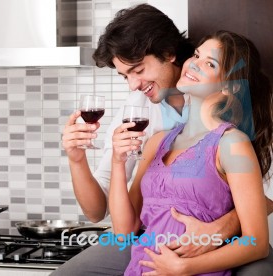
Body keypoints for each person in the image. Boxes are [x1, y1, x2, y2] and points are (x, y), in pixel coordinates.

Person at [55, 3, 273, 276]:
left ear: (169, 54)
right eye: (125, 76)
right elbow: (106, 215)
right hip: (151, 238)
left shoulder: (236, 127)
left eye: (138, 70)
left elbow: (265, 201)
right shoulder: (143, 116)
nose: (133, 86)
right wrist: (78, 159)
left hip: (224, 238)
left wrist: (218, 231)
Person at [109, 30, 272, 275]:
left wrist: (184, 267)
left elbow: (256, 244)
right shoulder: (157, 142)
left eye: (210, 63)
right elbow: (124, 232)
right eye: (196, 55)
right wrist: (117, 162)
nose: (194, 64)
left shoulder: (231, 144)